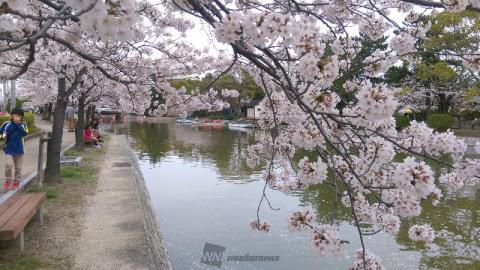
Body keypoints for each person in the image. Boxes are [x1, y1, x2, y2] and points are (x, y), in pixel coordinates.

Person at [1, 108, 29, 190]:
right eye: (15, 115)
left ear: (21, 117)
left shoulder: (23, 125)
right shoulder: (6, 124)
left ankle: (16, 181)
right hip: (9, 149)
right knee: (8, 165)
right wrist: (3, 136)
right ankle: (8, 180)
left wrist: (18, 124)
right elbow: (1, 133)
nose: (17, 117)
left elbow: (24, 134)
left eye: (19, 116)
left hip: (20, 149)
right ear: (12, 115)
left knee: (18, 168)